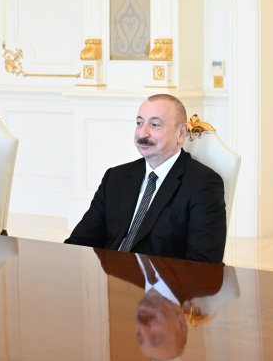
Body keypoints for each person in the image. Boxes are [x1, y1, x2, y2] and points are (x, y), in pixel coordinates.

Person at [65, 94, 227, 264]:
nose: (142, 133)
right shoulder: (115, 177)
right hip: (111, 276)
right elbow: (80, 242)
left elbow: (204, 263)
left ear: (181, 133)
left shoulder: (203, 184)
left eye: (155, 125)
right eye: (139, 123)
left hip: (161, 280)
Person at [95, 248, 225, 361]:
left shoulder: (111, 265)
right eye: (155, 336)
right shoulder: (202, 278)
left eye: (139, 335)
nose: (143, 327)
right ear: (180, 322)